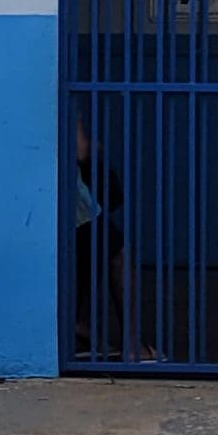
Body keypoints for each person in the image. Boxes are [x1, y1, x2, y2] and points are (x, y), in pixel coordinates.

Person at [73, 115, 157, 361]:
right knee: (117, 252)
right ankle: (133, 346)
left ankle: (75, 324)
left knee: (88, 251)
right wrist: (94, 146)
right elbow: (80, 150)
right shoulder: (61, 95)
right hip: (76, 204)